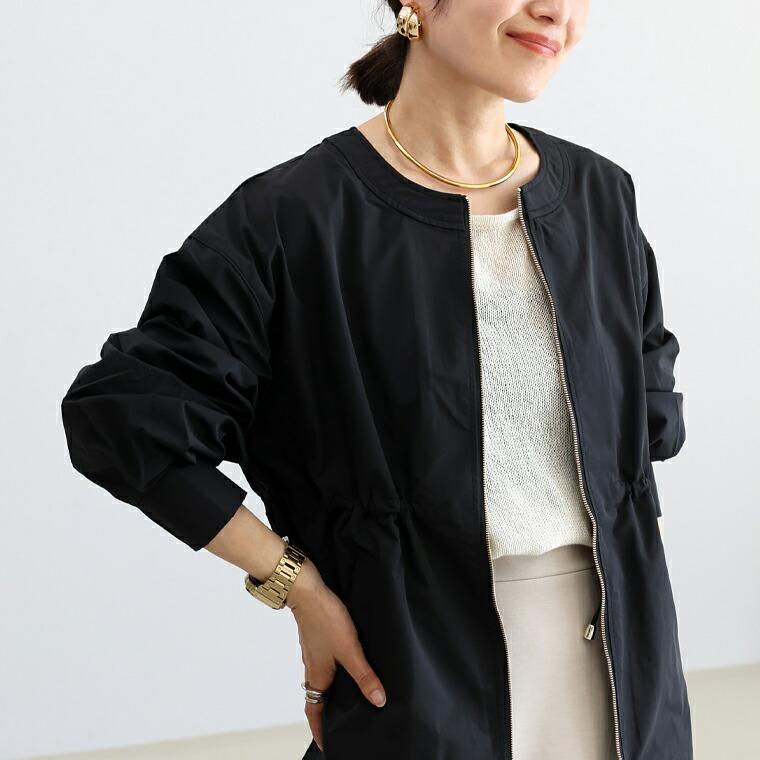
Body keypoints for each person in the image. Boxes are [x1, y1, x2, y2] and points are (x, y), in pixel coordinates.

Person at [61, 2, 692, 759]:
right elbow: (123, 417)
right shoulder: (294, 220)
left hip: (626, 679)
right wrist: (293, 582)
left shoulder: (600, 197)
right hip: (419, 687)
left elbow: (641, 434)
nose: (555, 10)